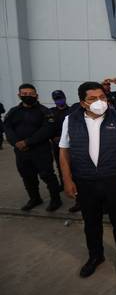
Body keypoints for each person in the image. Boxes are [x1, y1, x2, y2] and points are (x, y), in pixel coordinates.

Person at [59, 81, 116, 278]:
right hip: (85, 181)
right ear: (82, 102)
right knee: (91, 222)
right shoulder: (70, 120)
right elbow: (64, 151)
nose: (99, 102)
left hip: (113, 180)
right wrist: (67, 180)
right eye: (93, 99)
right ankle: (96, 256)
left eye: (102, 97)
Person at [4, 83, 62, 211]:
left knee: (47, 175)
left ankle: (56, 200)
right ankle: (35, 198)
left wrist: (27, 142)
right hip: (21, 152)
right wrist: (16, 142)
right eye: (24, 94)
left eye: (31, 94)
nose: (28, 96)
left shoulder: (44, 111)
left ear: (36, 95)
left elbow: (47, 130)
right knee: (27, 176)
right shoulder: (14, 112)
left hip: (41, 151)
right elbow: (7, 128)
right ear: (19, 95)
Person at [49, 90, 79, 212]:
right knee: (62, 167)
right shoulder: (51, 112)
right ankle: (65, 183)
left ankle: (79, 200)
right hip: (57, 145)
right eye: (57, 98)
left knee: (75, 172)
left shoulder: (72, 111)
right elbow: (47, 127)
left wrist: (64, 137)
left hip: (71, 146)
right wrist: (52, 137)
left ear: (65, 98)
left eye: (61, 98)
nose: (59, 100)